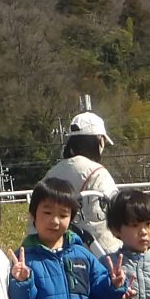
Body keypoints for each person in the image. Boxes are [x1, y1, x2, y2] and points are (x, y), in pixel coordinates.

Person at [8, 178, 102, 299]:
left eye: (63, 214)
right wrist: (22, 281)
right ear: (33, 215)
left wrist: (116, 286)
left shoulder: (82, 254)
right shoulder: (24, 259)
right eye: (47, 212)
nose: (55, 221)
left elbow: (100, 290)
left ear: (71, 218)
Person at [43, 109, 121, 254]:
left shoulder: (51, 173)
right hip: (93, 253)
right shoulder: (98, 173)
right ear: (98, 140)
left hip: (56, 248)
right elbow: (113, 216)